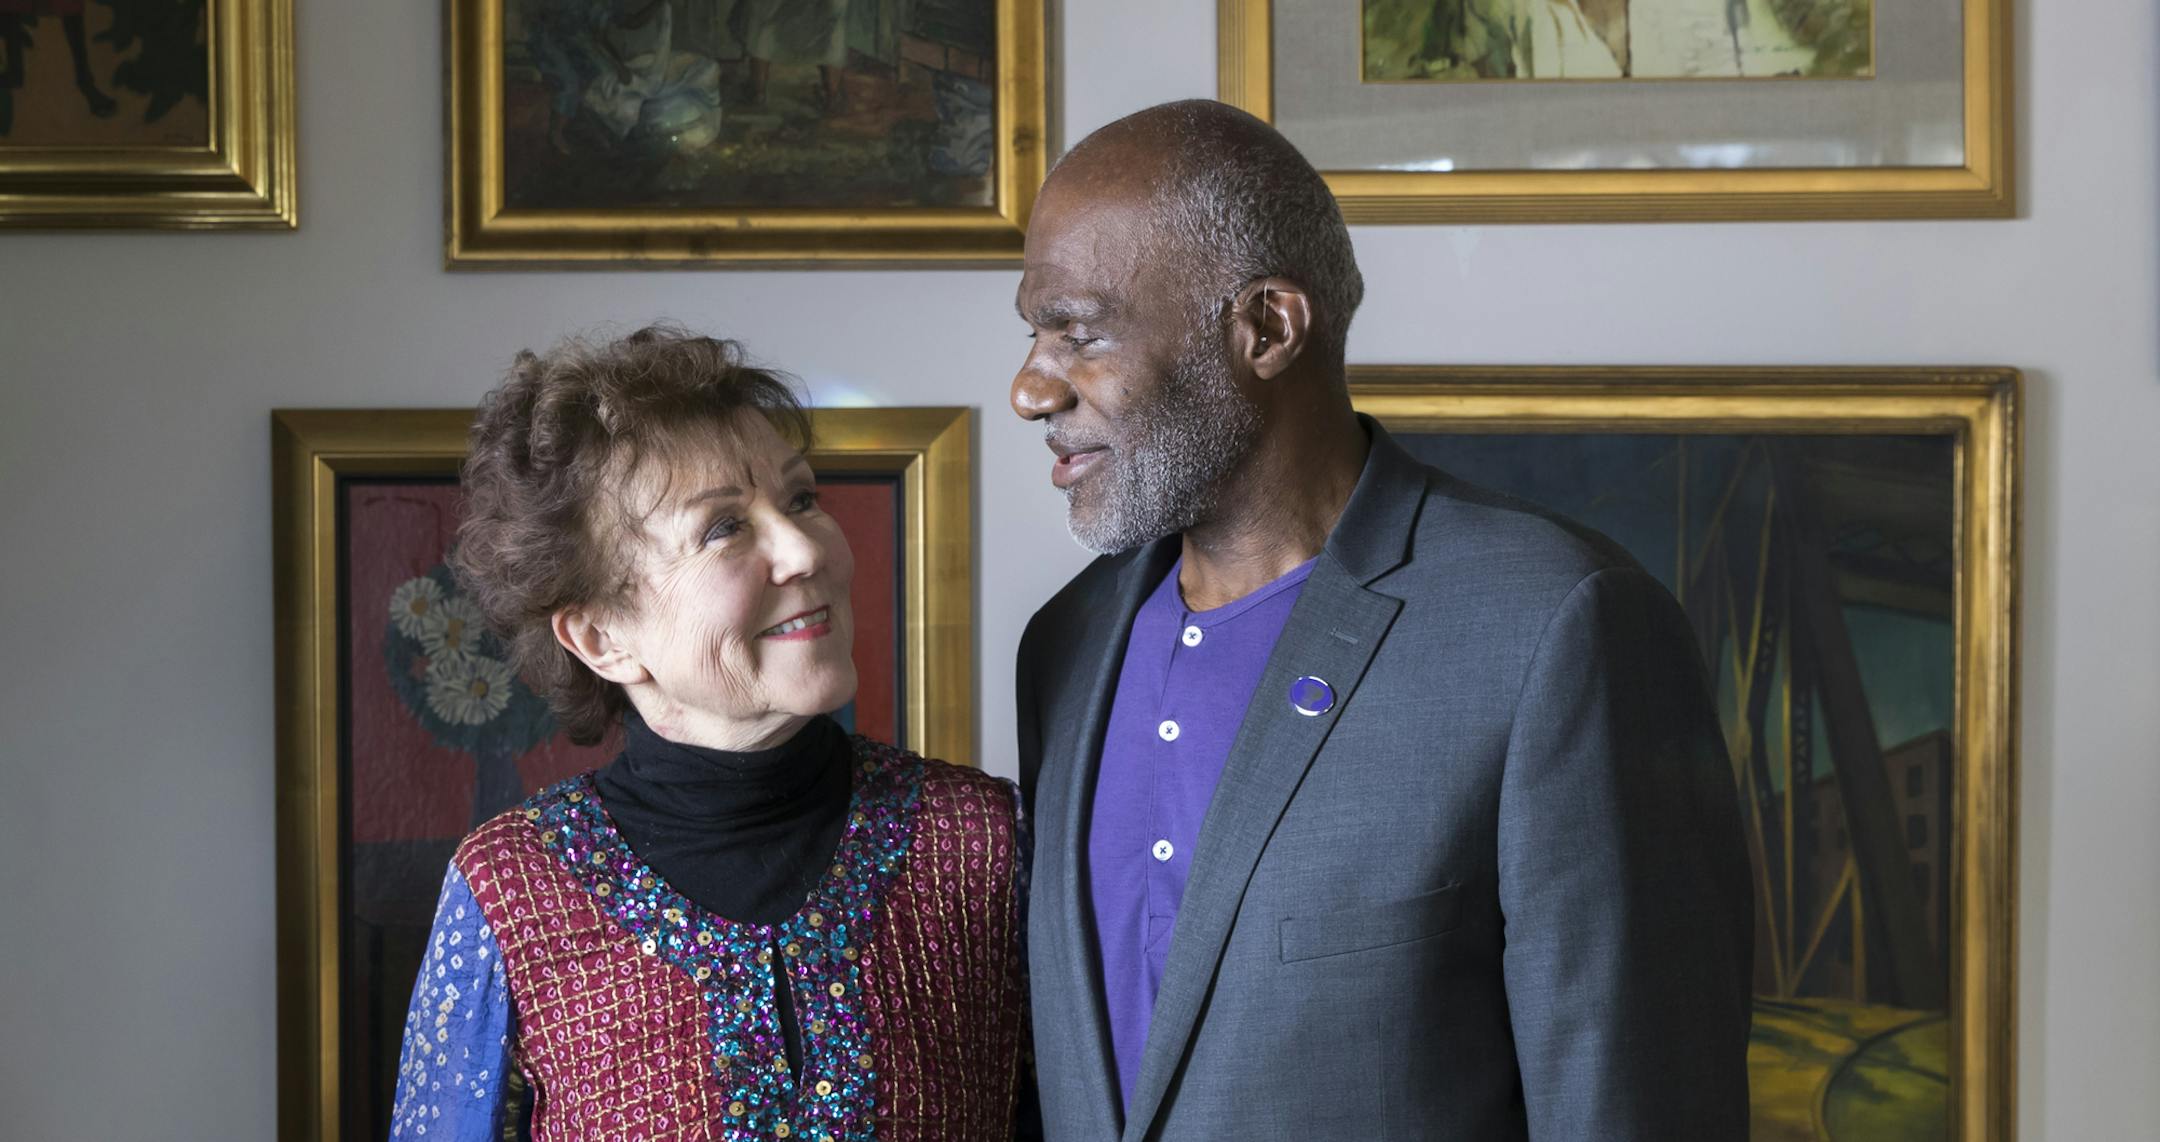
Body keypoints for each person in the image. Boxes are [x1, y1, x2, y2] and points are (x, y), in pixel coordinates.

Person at [1011, 100, 1752, 1140]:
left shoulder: (1555, 625)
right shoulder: (1065, 643)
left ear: (1266, 326)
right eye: (1032, 334)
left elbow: (1635, 1104)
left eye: (1078, 333)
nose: (1029, 386)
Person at [388, 325, 1029, 1140]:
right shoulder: (511, 891)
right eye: (723, 528)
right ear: (600, 637)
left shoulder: (983, 842)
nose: (803, 548)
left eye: (801, 499)